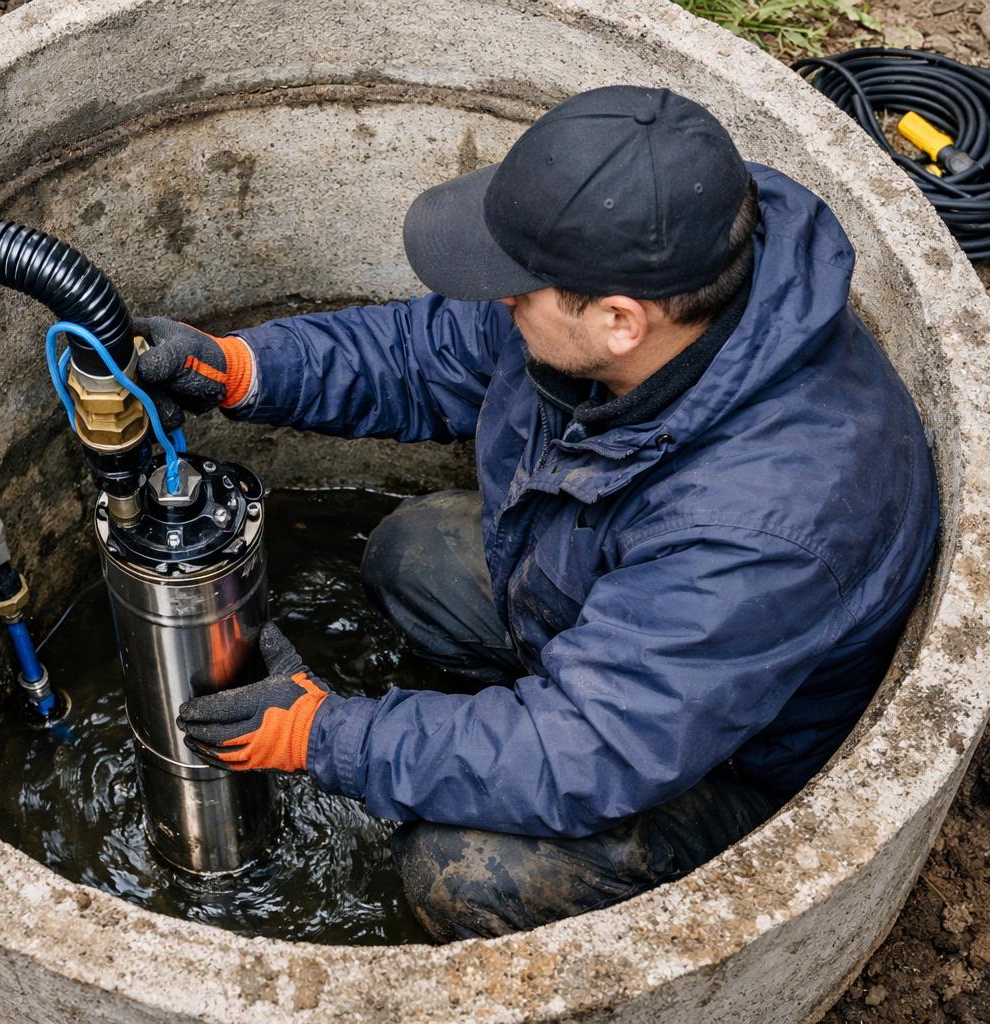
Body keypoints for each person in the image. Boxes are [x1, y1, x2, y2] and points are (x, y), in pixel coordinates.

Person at [134, 85, 940, 941]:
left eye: (520, 289)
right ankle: (491, 717)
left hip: (724, 755)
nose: (501, 304)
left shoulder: (764, 522)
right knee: (410, 556)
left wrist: (328, 737)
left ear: (619, 322)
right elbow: (430, 353)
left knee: (458, 869)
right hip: (629, 626)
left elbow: (589, 747)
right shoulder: (664, 272)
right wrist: (246, 369)